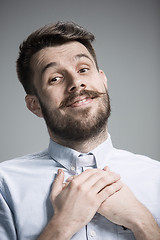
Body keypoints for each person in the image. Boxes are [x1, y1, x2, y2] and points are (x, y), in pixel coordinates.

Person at [0, 21, 160, 240]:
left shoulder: (156, 178)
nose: (76, 83)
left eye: (83, 69)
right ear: (34, 104)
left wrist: (141, 220)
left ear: (103, 80)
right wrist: (62, 225)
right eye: (55, 78)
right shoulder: (4, 186)